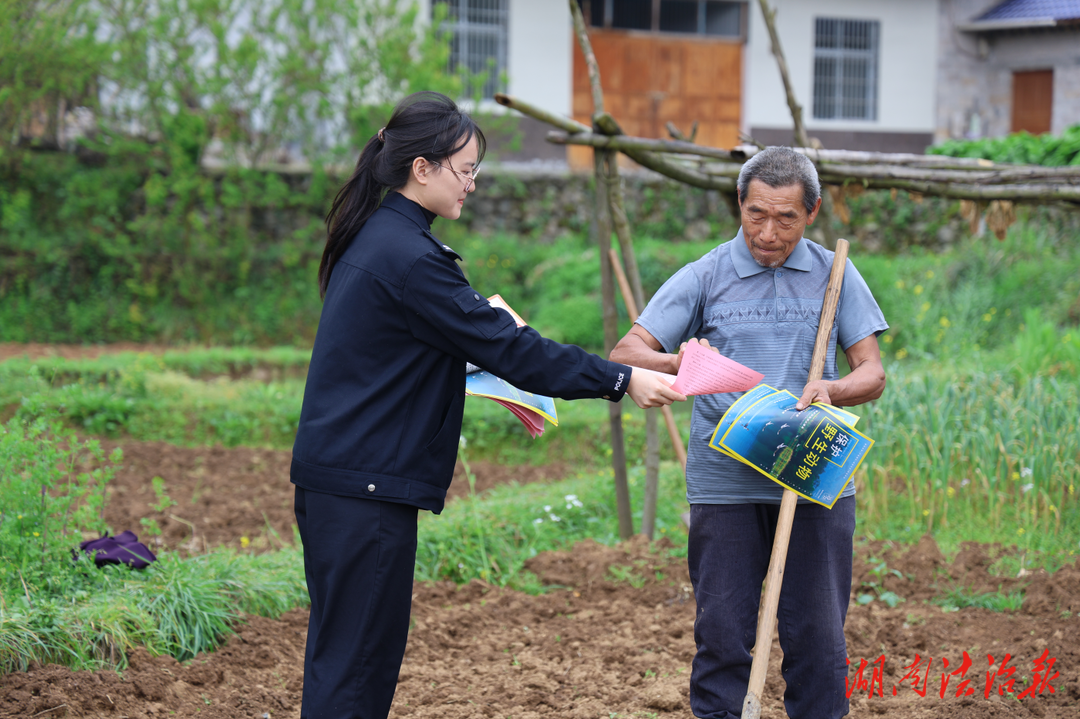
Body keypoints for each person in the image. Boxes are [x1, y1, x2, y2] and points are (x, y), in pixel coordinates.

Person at [290, 91, 684, 719]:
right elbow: (515, 350)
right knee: (358, 665)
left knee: (343, 656)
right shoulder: (414, 259)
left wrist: (474, 359)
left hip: (340, 479)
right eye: (465, 169)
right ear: (423, 167)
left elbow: (411, 350)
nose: (471, 184)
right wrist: (620, 380)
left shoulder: (375, 235)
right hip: (364, 492)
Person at [610, 146, 888, 719]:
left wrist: (830, 391)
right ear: (738, 204)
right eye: (755, 213)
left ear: (811, 213)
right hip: (726, 483)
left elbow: (873, 373)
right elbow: (627, 351)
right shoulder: (706, 274)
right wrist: (683, 359)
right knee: (723, 633)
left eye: (786, 218)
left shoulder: (835, 274)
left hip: (814, 477)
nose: (767, 232)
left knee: (818, 637)